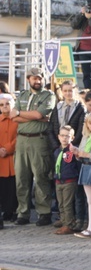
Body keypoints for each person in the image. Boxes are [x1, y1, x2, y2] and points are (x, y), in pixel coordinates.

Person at [12, 67, 56, 226]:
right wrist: (34, 116)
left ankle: (44, 212)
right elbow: (12, 116)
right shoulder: (22, 95)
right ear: (28, 79)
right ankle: (22, 213)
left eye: (39, 78)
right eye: (33, 78)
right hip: (22, 140)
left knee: (41, 177)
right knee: (21, 179)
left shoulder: (48, 96)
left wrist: (21, 114)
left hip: (39, 140)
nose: (37, 81)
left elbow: (38, 114)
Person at [52, 125, 81, 235]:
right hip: (58, 181)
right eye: (62, 136)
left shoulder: (73, 151)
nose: (64, 138)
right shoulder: (57, 151)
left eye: (67, 136)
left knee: (67, 204)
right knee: (61, 204)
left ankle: (68, 225)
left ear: (72, 138)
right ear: (58, 137)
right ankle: (64, 221)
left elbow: (77, 166)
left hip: (69, 180)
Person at [48, 80, 85, 150]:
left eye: (70, 91)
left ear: (75, 91)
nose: (67, 93)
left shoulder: (80, 108)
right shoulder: (58, 106)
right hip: (57, 146)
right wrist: (55, 145)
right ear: (61, 91)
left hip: (73, 147)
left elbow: (81, 130)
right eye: (65, 91)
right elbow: (51, 127)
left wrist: (70, 146)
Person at [0, 93, 19, 226]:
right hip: (1, 160)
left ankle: (14, 211)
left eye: (7, 104)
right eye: (2, 105)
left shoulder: (18, 120)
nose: (5, 107)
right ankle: (5, 211)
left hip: (14, 157)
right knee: (3, 187)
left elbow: (20, 137)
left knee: (15, 187)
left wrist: (7, 148)